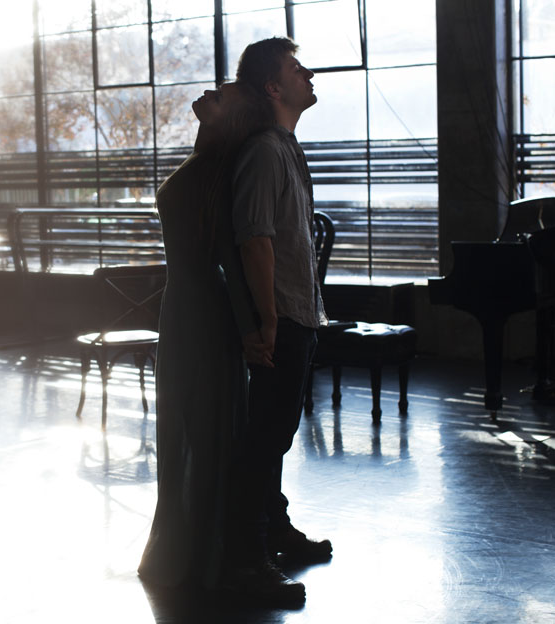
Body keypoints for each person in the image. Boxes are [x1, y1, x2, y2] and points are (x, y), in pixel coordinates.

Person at [137, 81, 267, 591]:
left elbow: (231, 260)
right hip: (184, 306)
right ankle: (183, 545)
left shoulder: (222, 173)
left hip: (204, 311)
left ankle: (200, 553)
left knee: (204, 426)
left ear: (231, 118)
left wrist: (251, 328)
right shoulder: (205, 159)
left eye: (223, 95)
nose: (211, 91)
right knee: (183, 423)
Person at [225, 37, 332, 603]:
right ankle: (247, 562)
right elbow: (255, 240)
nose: (308, 73)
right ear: (273, 87)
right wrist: (267, 320)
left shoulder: (286, 146)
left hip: (297, 313)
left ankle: (276, 532)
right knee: (265, 440)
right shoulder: (266, 151)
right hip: (283, 316)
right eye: (296, 68)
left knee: (278, 436)